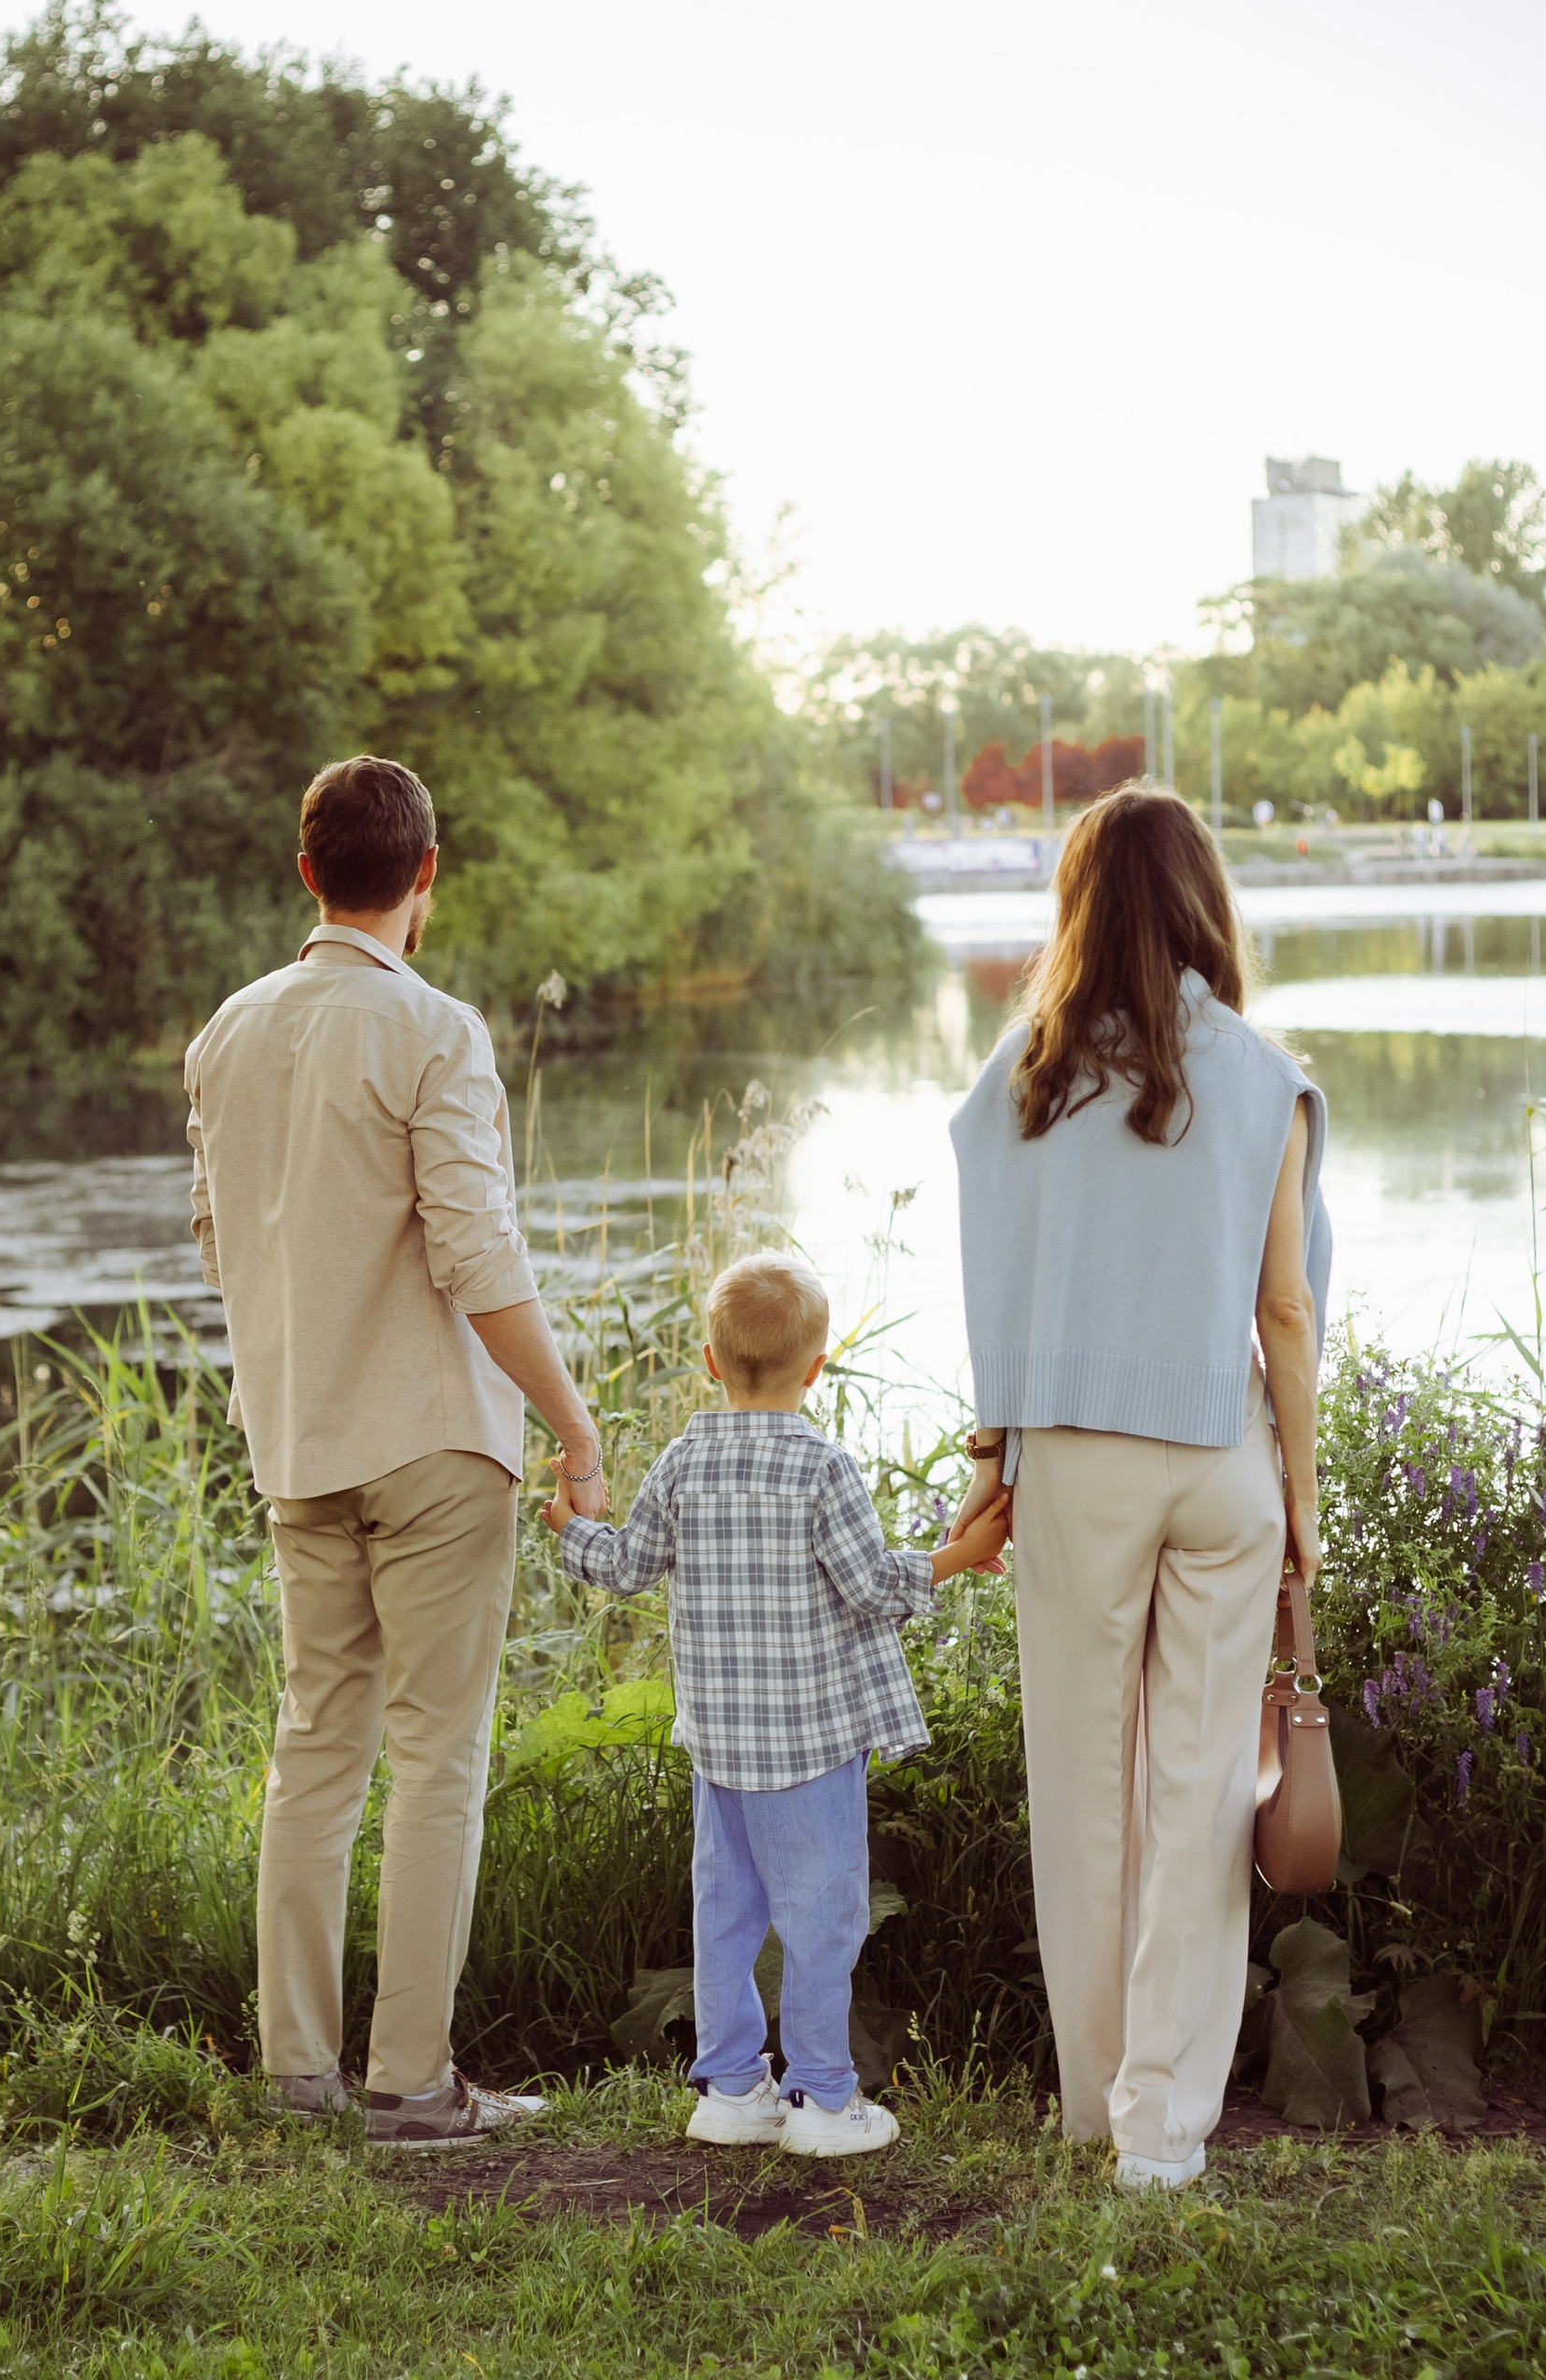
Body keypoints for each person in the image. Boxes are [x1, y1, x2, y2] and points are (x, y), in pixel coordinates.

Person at [185, 753, 608, 2150]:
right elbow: (475, 1250)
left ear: (308, 874)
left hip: (299, 1443)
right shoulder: (437, 1031)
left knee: (315, 1748)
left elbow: (219, 1242)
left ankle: (297, 2070)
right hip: (431, 1441)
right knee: (435, 1755)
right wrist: (572, 1421)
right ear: (424, 877)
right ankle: (412, 2085)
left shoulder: (226, 1035)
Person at [943, 784, 1332, 2193]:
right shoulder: (1262, 1075)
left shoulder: (1021, 1075)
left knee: (1084, 1796)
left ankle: (1095, 2107)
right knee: (1200, 1792)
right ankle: (1163, 2132)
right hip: (1221, 1459)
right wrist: (1302, 1496)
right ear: (1202, 901)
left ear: (1079, 902)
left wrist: (987, 1465)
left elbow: (992, 1289)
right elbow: (1285, 1315)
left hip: (1075, 1465)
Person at [548, 1252, 1012, 2158]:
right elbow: (872, 1586)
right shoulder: (823, 1467)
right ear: (816, 1366)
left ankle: (728, 2089)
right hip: (810, 1748)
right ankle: (823, 2099)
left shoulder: (683, 1460)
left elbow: (629, 1565)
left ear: (712, 1363)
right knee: (822, 1916)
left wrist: (569, 1529)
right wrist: (960, 1555)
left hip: (719, 1747)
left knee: (723, 1912)